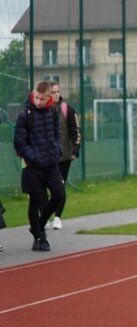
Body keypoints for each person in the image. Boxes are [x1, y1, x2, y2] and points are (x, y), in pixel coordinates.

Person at [14, 80, 65, 252]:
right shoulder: (25, 115)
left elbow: (57, 135)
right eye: (36, 97)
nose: (38, 101)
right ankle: (39, 238)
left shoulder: (53, 112)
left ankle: (39, 226)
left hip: (51, 164)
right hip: (33, 166)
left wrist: (57, 150)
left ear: (49, 97)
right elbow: (19, 142)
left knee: (59, 195)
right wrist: (33, 157)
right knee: (36, 201)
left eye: (42, 99)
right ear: (33, 94)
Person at [48, 81, 82, 231]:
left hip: (64, 157)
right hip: (46, 157)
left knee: (59, 188)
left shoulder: (67, 109)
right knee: (43, 189)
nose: (56, 94)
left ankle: (57, 217)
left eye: (57, 91)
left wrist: (75, 150)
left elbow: (76, 131)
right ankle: (44, 216)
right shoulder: (41, 110)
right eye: (53, 92)